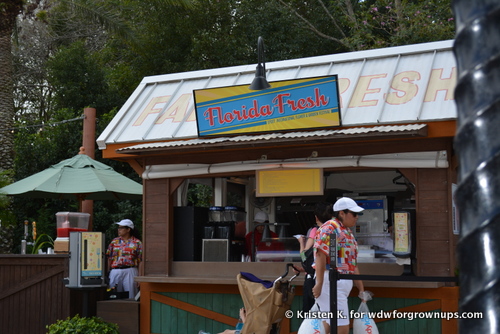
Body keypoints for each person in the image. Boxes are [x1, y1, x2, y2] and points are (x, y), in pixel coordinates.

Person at [312, 197, 366, 334]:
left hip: (337, 282)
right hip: (330, 282)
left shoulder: (347, 231)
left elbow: (352, 263)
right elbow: (320, 255)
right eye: (354, 214)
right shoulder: (330, 228)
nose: (357, 217)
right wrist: (319, 283)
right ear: (342, 213)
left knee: (329, 324)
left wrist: (361, 288)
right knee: (341, 328)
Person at [296, 202, 332, 312]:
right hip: (331, 277)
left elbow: (304, 256)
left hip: (314, 278)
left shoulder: (315, 231)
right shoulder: (334, 230)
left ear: (316, 217)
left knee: (310, 315)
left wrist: (301, 242)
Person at [106, 219, 143, 299]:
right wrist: (107, 273)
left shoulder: (137, 243)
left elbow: (140, 261)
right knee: (114, 295)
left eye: (121, 228)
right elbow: (109, 258)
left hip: (130, 270)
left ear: (128, 229)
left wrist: (139, 278)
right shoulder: (114, 242)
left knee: (131, 295)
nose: (118, 230)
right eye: (118, 228)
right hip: (115, 270)